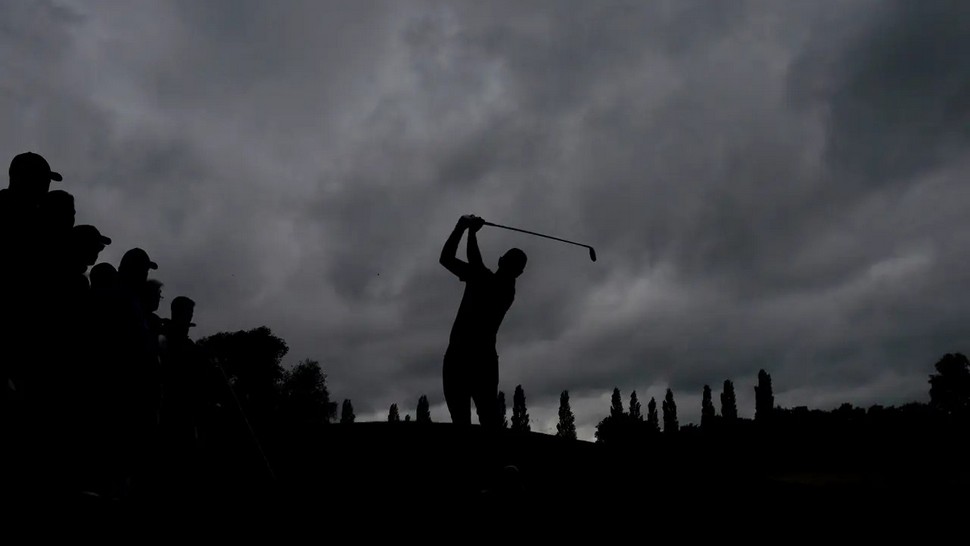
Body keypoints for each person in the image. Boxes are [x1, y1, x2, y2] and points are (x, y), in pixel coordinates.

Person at [439, 214, 527, 427]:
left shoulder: (502, 289)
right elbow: (446, 258)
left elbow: (472, 261)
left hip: (470, 360)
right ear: (520, 272)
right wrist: (462, 228)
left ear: (501, 261)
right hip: (469, 359)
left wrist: (467, 229)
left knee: (483, 420)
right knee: (482, 420)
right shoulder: (483, 278)